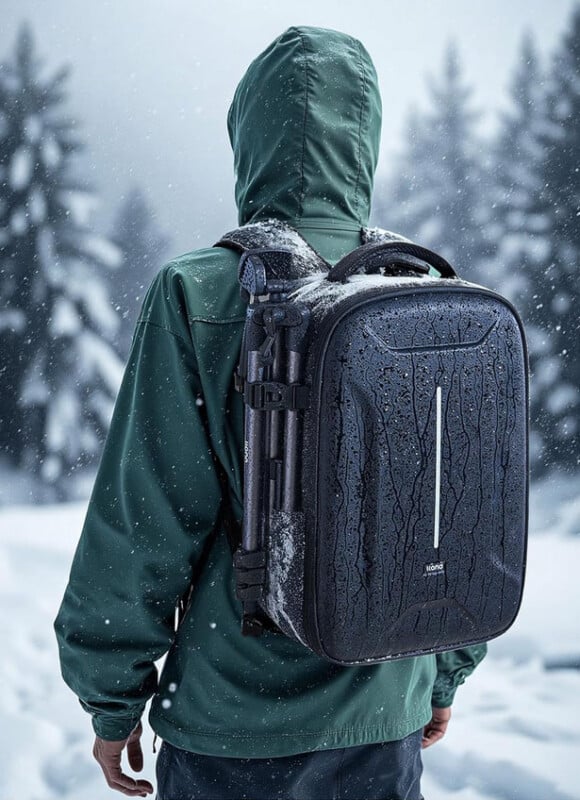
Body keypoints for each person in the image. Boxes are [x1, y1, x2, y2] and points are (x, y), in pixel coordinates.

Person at [55, 25, 487, 800]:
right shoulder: (416, 289)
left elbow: (148, 517)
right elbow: (463, 511)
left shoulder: (200, 291)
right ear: (365, 137)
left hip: (229, 721)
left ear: (247, 136)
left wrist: (111, 698)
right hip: (383, 711)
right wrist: (442, 672)